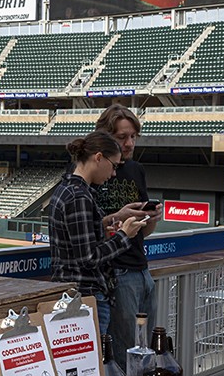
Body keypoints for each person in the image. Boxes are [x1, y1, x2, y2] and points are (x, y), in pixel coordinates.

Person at [48, 131, 146, 334]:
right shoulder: (78, 196)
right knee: (92, 364)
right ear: (99, 158)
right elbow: (88, 258)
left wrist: (107, 225)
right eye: (113, 166)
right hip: (85, 297)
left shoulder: (68, 189)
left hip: (75, 295)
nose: (113, 174)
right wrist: (124, 236)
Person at [93, 104, 162, 362]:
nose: (130, 143)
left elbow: (145, 230)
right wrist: (115, 218)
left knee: (147, 349)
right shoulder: (91, 171)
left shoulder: (136, 169)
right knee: (125, 352)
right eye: (122, 137)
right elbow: (86, 228)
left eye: (133, 136)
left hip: (142, 269)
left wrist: (152, 218)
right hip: (115, 273)